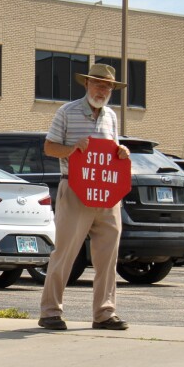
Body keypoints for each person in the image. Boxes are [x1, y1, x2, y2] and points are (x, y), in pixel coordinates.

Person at [38, 63, 131, 331]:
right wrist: (71, 149)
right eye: (98, 84)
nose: (103, 90)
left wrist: (121, 152)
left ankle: (104, 314)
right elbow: (49, 147)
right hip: (76, 191)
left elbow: (111, 150)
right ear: (86, 84)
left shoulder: (111, 116)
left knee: (108, 256)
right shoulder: (66, 112)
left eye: (108, 86)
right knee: (65, 252)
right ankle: (50, 312)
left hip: (108, 194)